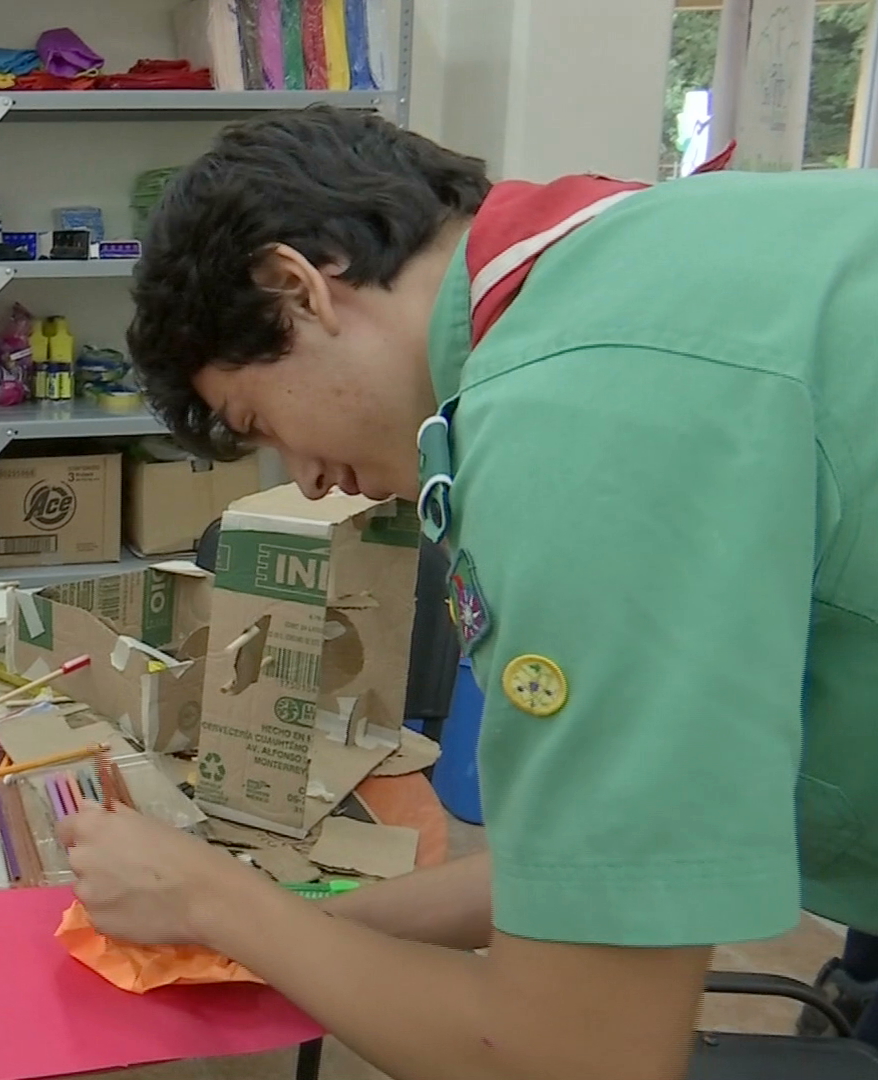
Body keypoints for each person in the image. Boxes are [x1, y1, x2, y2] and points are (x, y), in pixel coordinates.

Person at [59, 105, 878, 1077]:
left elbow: (578, 1058)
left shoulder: (581, 413)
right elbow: (585, 870)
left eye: (259, 417)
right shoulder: (618, 270)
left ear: (299, 290)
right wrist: (277, 927)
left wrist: (214, 900)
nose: (307, 479)